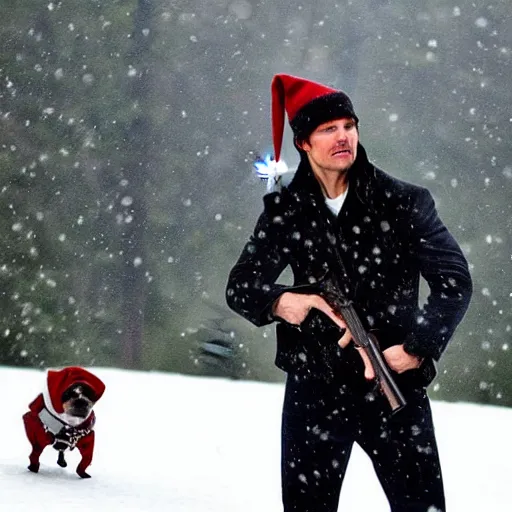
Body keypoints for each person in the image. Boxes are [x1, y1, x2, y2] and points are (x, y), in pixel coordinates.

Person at [225, 73, 472, 512]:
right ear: (304, 142)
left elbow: (454, 281)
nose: (343, 137)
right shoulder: (286, 210)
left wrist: (415, 350)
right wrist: (286, 301)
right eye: (328, 129)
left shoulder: (403, 201)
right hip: (314, 390)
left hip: (393, 383)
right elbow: (242, 286)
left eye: (349, 125)